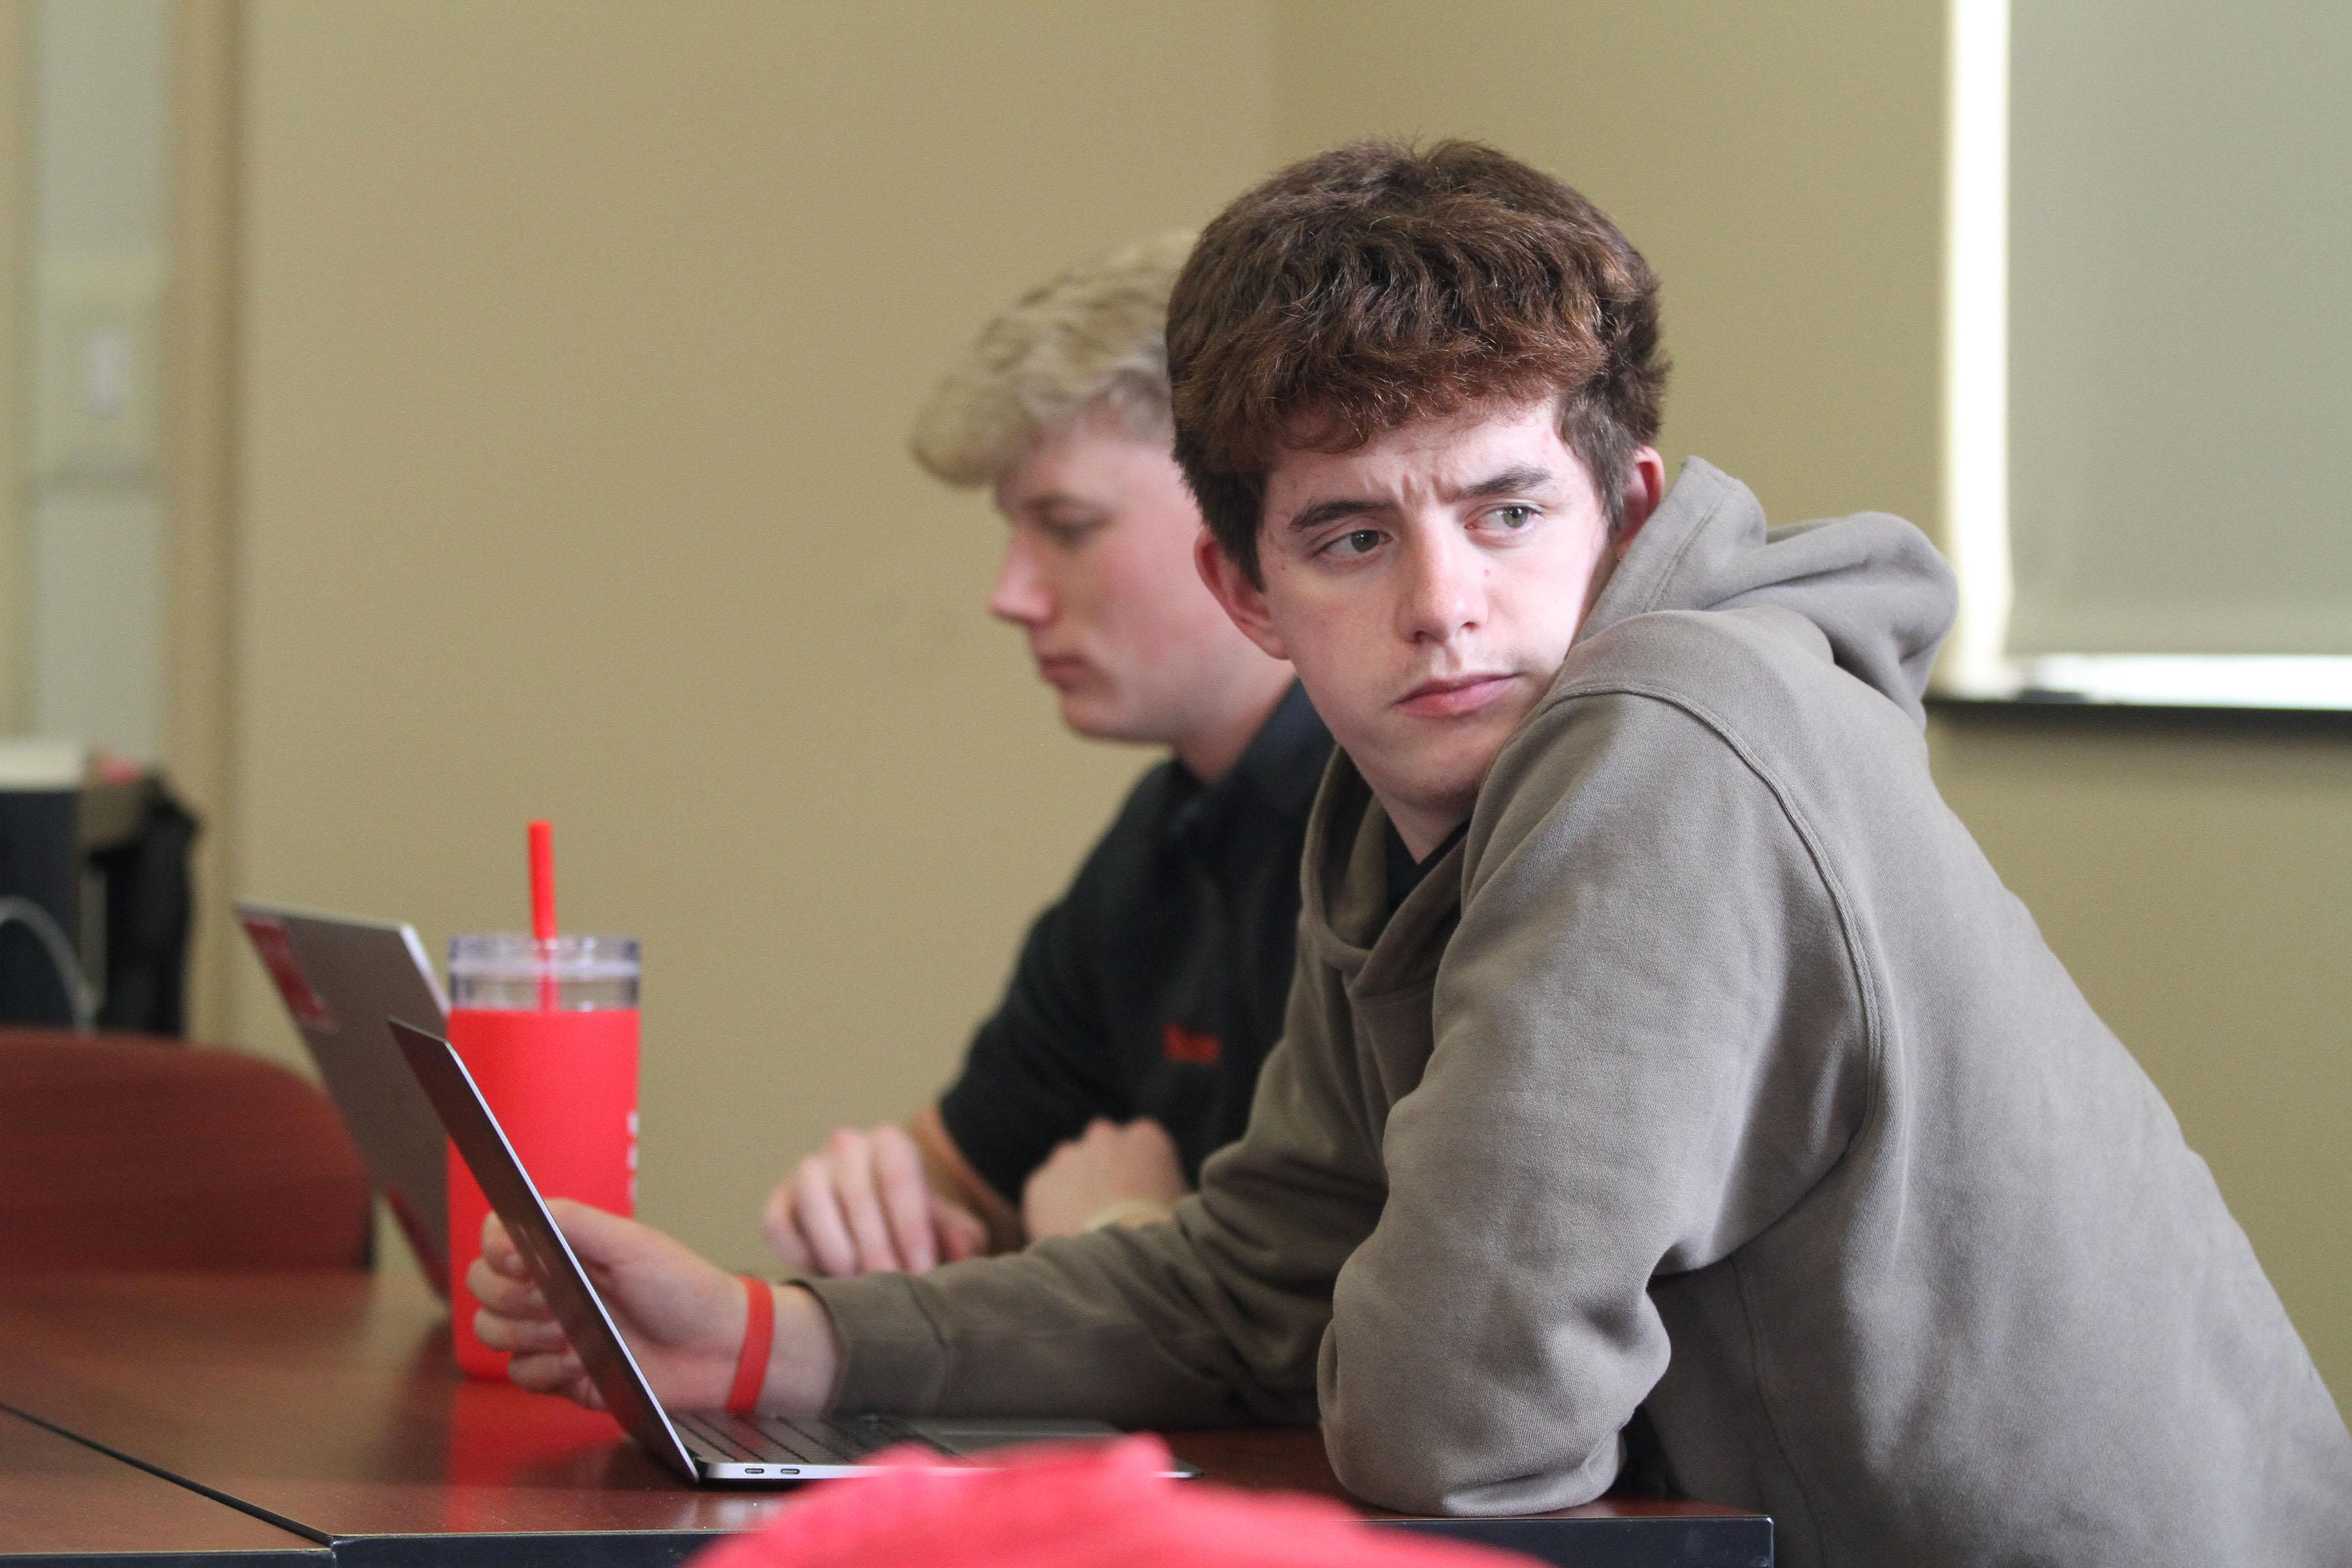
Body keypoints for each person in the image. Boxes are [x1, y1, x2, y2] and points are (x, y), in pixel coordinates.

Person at [475, 142, 2352, 1564]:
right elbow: (1259, 1278)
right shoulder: (1407, 811)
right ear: (1250, 589)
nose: (1446, 605)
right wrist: (766, 1342)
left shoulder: (1665, 737)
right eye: (1354, 538)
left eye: (1506, 510)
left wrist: (1352, 1319)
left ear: (1622, 512)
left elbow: (1454, 1433)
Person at [760, 234, 1332, 1277]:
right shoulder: (1158, 843)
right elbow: (967, 1174)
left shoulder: (1406, 829)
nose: (1010, 595)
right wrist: (880, 1202)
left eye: (1067, 528)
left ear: (1251, 512)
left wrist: (1121, 1248)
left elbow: (1404, 1327)